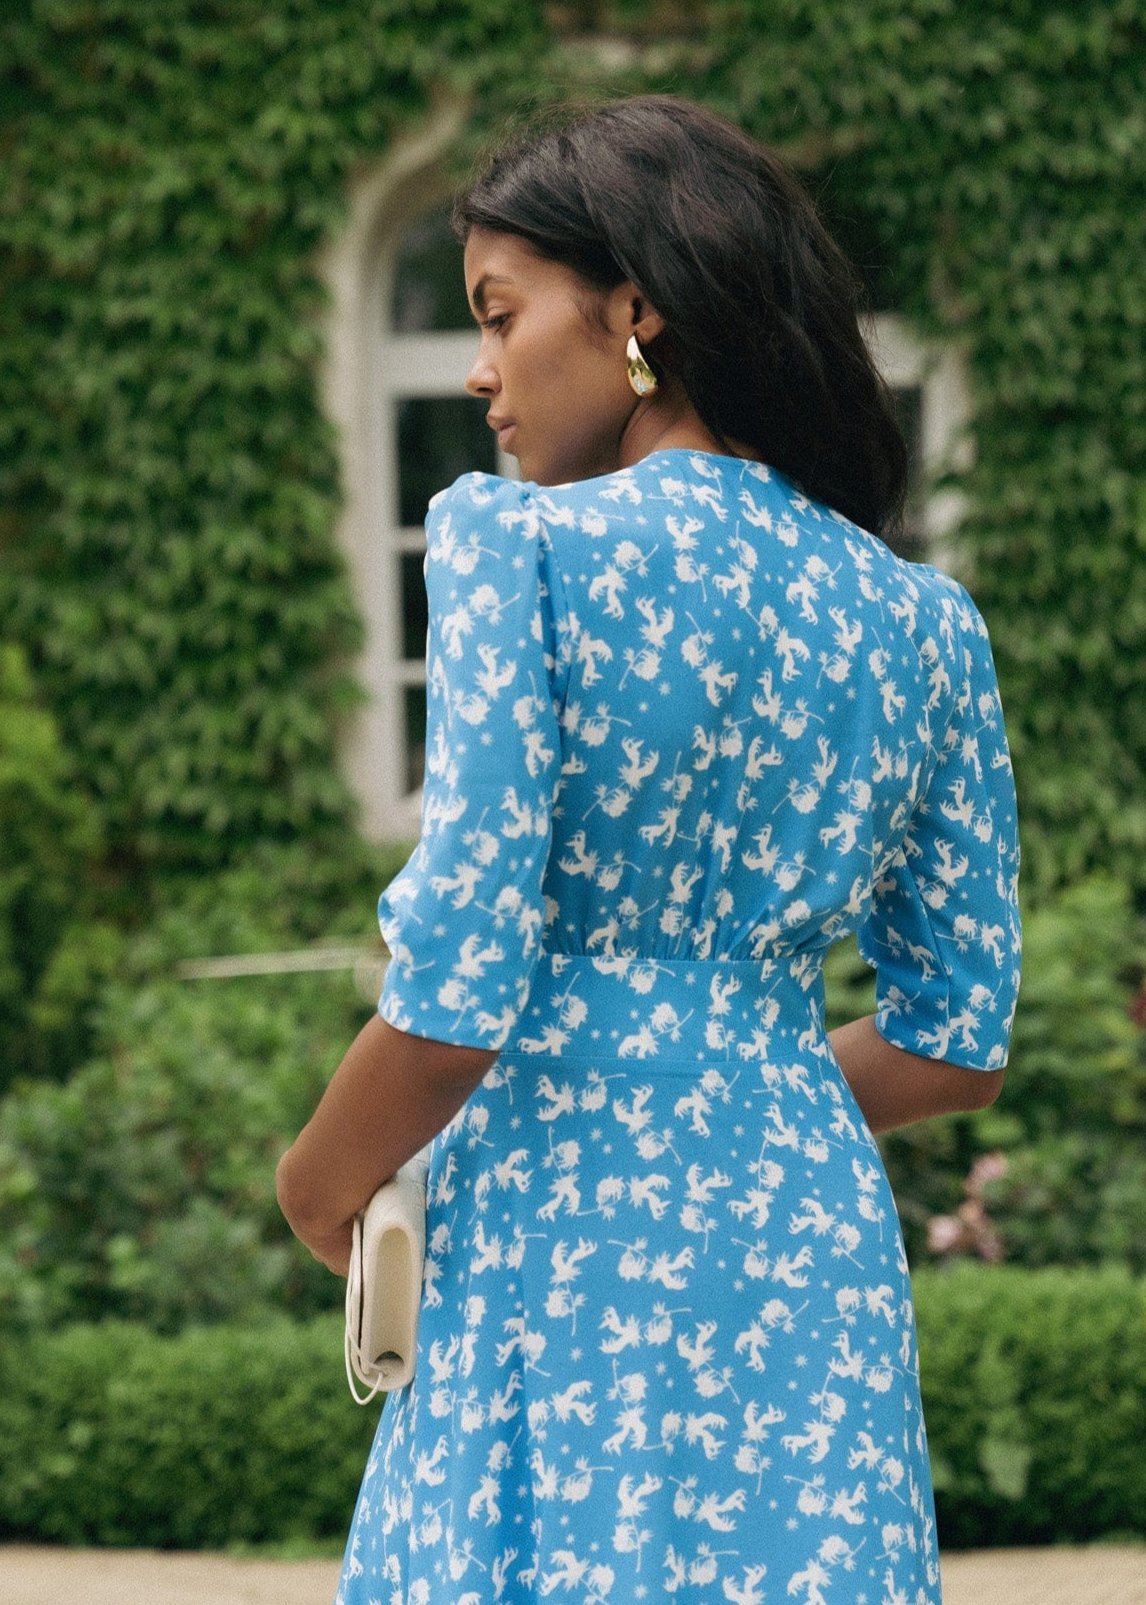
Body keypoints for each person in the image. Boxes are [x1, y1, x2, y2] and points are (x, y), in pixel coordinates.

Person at [276, 95, 1021, 1605]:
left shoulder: (518, 550)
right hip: (803, 1243)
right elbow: (958, 1044)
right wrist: (743, 1079)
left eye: (498, 312)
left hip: (560, 1220)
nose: (479, 369)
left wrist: (316, 1185)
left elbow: (456, 992)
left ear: (634, 307)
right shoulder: (921, 623)